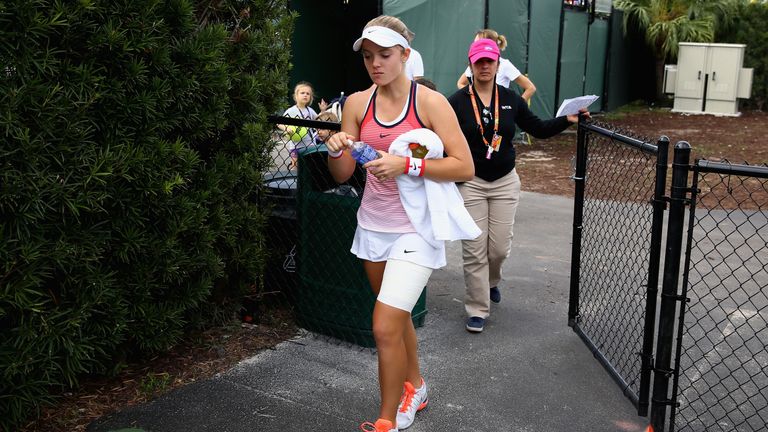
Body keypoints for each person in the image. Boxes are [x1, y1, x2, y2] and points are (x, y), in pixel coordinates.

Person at [325, 16, 474, 432]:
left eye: (384, 55)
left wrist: (408, 163)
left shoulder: (429, 103)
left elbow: (465, 165)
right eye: (368, 56)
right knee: (399, 315)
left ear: (405, 55)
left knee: (383, 324)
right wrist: (338, 146)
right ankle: (417, 385)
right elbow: (340, 174)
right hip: (373, 226)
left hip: (416, 229)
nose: (375, 64)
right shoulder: (356, 104)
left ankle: (387, 419)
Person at [448, 38, 589, 333]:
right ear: (471, 65)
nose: (485, 66)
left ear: (498, 64)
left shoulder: (510, 97)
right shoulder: (457, 101)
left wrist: (567, 120)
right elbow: (442, 137)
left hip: (504, 182)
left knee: (497, 248)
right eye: (479, 62)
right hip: (471, 182)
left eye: (490, 61)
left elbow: (537, 128)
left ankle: (491, 281)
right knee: (475, 247)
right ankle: (477, 307)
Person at [456, 29, 536, 102]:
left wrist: (516, 108)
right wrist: (474, 97)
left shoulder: (505, 65)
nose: (484, 66)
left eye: (478, 42)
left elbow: (530, 87)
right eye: (475, 42)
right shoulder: (474, 63)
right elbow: (461, 83)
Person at [280, 81, 318, 167]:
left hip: (311, 144)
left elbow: (318, 120)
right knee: (296, 167)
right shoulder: (291, 111)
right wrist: (286, 128)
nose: (305, 95)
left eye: (308, 94)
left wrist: (323, 111)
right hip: (296, 145)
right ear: (296, 96)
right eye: (302, 93)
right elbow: (279, 123)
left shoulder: (310, 111)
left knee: (310, 166)